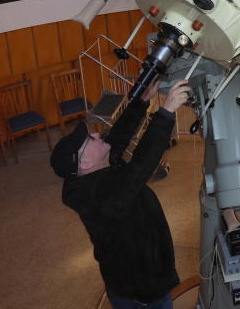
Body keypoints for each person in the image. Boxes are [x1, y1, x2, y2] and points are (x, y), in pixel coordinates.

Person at [51, 78, 191, 309]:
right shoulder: (103, 197)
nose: (97, 135)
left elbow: (116, 138)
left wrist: (142, 101)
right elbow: (141, 165)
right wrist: (165, 112)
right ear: (85, 162)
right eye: (89, 139)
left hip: (124, 280)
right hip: (142, 286)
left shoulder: (91, 170)